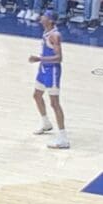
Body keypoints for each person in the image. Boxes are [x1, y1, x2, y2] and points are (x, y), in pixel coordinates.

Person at [29, 11, 69, 149]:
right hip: (44, 69)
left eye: (44, 16)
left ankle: (63, 138)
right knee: (37, 95)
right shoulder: (46, 31)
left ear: (50, 20)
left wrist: (39, 59)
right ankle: (46, 123)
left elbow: (59, 58)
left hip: (52, 71)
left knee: (54, 103)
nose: (41, 18)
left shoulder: (54, 35)